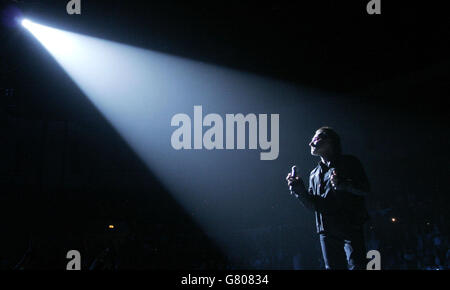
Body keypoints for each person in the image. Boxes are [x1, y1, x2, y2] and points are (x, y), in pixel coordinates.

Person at [286, 126, 370, 270]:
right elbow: (313, 206)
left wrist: (344, 184)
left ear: (329, 141)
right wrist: (299, 189)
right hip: (327, 231)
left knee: (358, 266)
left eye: (315, 138)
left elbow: (365, 189)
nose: (310, 143)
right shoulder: (314, 174)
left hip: (350, 226)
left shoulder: (349, 162)